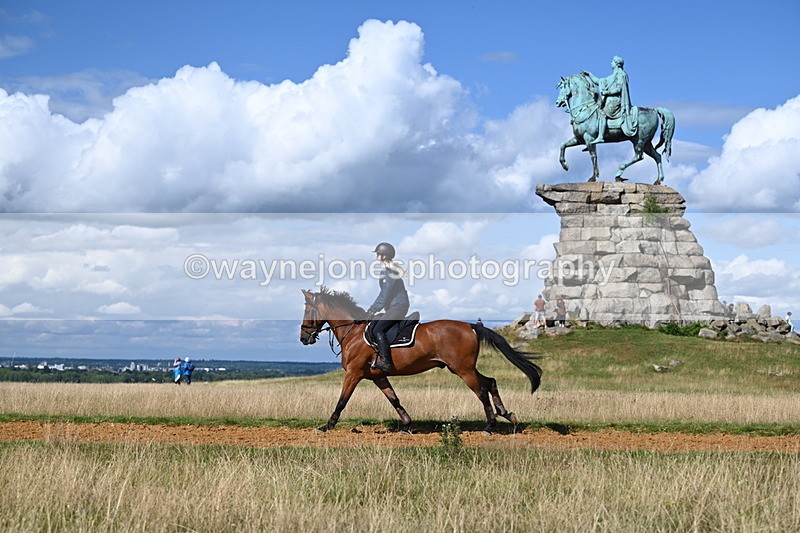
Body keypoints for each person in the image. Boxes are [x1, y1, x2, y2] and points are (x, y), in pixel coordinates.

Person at [366, 242, 410, 372]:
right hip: (395, 307)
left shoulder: (389, 272)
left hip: (398, 307)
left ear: (384, 256)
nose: (376, 257)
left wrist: (373, 309)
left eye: (378, 254)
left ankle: (385, 362)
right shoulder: (388, 270)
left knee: (378, 330)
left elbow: (385, 294)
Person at [582, 55, 636, 144]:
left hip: (615, 101)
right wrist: (589, 75)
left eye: (612, 62)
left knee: (601, 113)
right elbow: (598, 81)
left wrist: (607, 92)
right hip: (609, 100)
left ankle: (600, 136)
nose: (611, 63)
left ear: (617, 64)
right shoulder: (611, 76)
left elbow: (619, 88)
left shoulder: (621, 75)